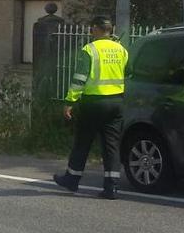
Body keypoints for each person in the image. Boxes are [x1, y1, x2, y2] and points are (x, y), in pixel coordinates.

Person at [53, 16, 129, 199]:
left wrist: (70, 101)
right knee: (111, 146)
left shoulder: (90, 50)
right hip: (116, 102)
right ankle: (112, 187)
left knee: (82, 142)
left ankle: (72, 180)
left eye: (91, 28)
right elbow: (127, 72)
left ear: (96, 29)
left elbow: (80, 79)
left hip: (94, 102)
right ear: (110, 30)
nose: (90, 32)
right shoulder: (121, 50)